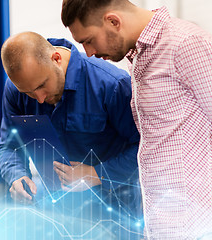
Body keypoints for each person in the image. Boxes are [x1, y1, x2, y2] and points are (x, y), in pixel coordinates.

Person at [61, 0, 212, 239]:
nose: (89, 53)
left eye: (88, 40)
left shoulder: (185, 43)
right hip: (160, 224)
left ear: (113, 21)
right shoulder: (141, 57)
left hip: (196, 226)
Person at [0, 32, 141, 221]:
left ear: (56, 59)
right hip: (56, 212)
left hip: (116, 213)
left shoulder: (112, 85)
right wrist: (17, 176)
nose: (39, 99)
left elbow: (146, 149)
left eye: (42, 86)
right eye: (29, 93)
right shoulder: (16, 90)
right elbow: (9, 146)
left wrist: (96, 174)